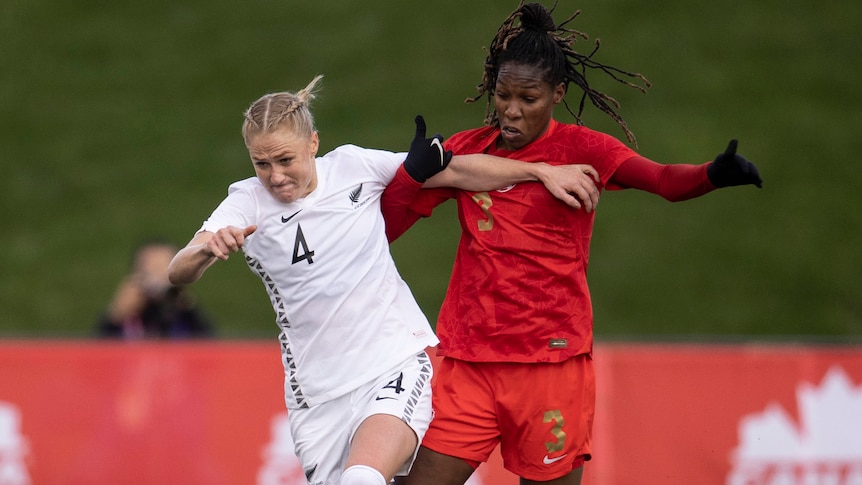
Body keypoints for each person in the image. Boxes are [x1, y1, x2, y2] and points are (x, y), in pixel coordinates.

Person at [381, 3, 763, 485]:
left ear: (557, 93)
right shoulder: (468, 152)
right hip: (469, 362)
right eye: (503, 95)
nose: (512, 109)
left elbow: (663, 180)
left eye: (528, 97)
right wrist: (411, 175)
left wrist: (712, 175)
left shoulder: (586, 150)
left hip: (552, 365)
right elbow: (389, 226)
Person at [167, 74, 602, 485]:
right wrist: (207, 248)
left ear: (313, 143)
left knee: (364, 477)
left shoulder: (355, 167)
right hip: (316, 398)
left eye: (286, 160)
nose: (276, 176)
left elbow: (457, 172)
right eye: (262, 163)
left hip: (393, 364)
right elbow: (178, 270)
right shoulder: (246, 202)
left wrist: (541, 170)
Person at [97, 239, 214, 339]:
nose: (157, 279)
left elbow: (211, 349)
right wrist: (114, 317)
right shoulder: (125, 317)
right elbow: (96, 353)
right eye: (150, 270)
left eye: (163, 269)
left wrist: (190, 311)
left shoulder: (184, 314)